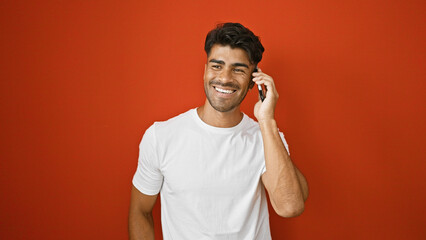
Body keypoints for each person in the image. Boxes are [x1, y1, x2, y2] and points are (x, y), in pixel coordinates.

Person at [128, 22, 309, 240]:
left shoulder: (267, 138)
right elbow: (140, 210)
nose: (224, 78)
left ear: (254, 80)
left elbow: (290, 206)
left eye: (238, 69)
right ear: (205, 70)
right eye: (217, 66)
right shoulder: (161, 136)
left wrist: (267, 120)